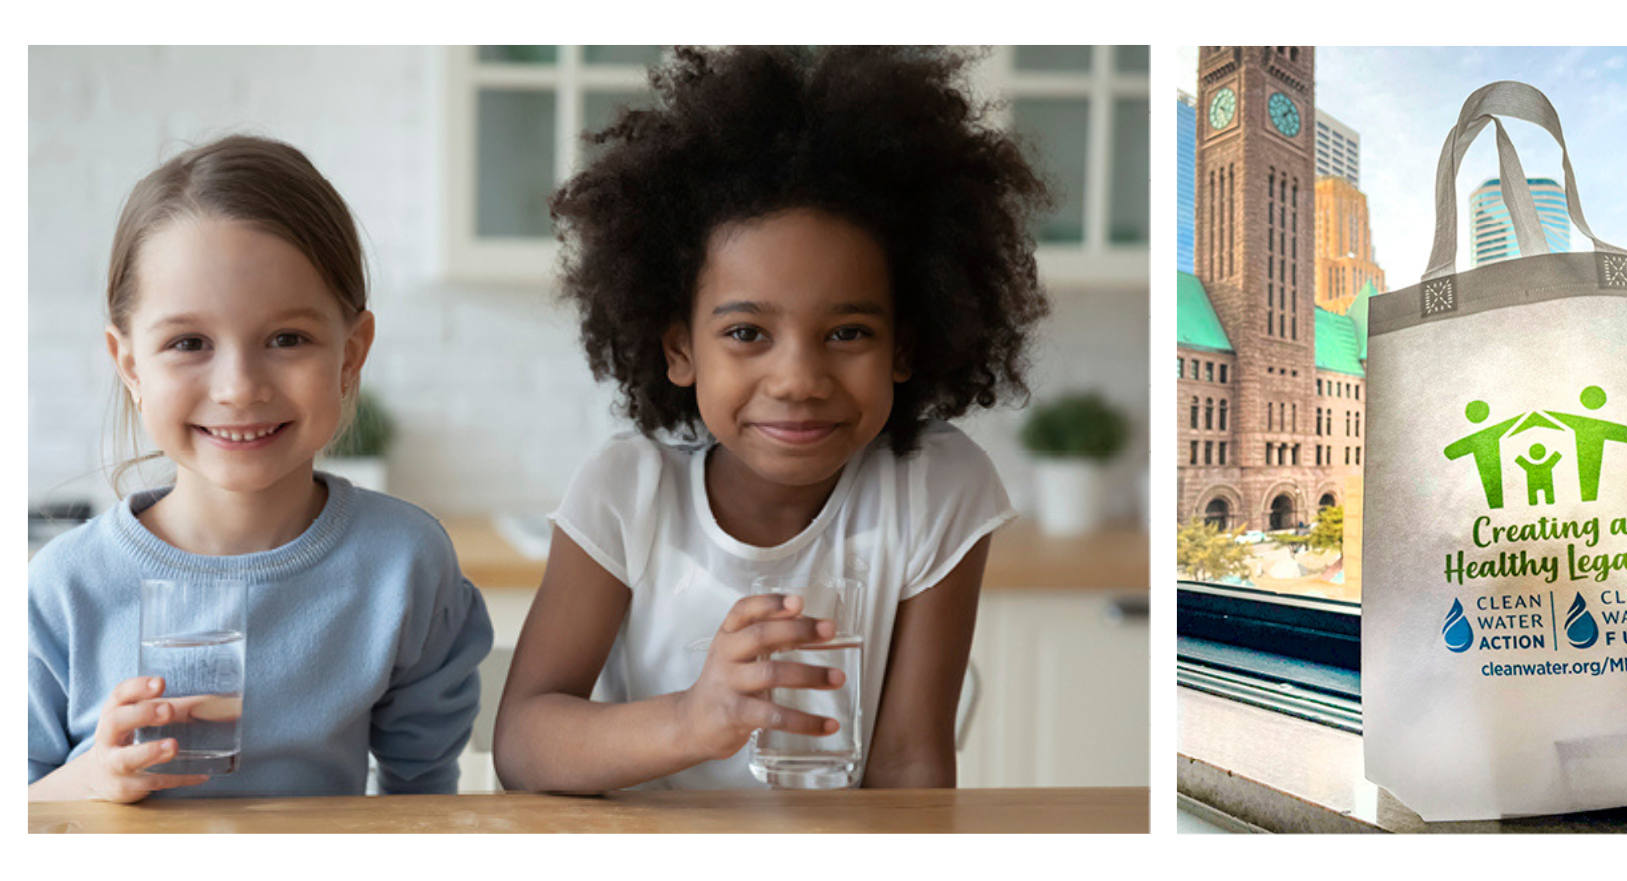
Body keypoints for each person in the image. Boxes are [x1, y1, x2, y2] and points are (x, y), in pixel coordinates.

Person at [494, 45, 1053, 791]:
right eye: (747, 333)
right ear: (679, 348)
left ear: (904, 345)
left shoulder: (935, 487)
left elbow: (911, 762)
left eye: (848, 332)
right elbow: (523, 745)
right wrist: (694, 718)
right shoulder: (626, 491)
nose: (797, 380)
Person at [27, 135, 493, 802]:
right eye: (189, 342)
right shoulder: (63, 588)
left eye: (287, 339)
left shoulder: (405, 564)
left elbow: (420, 800)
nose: (240, 386)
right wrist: (85, 782)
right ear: (131, 366)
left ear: (351, 353)